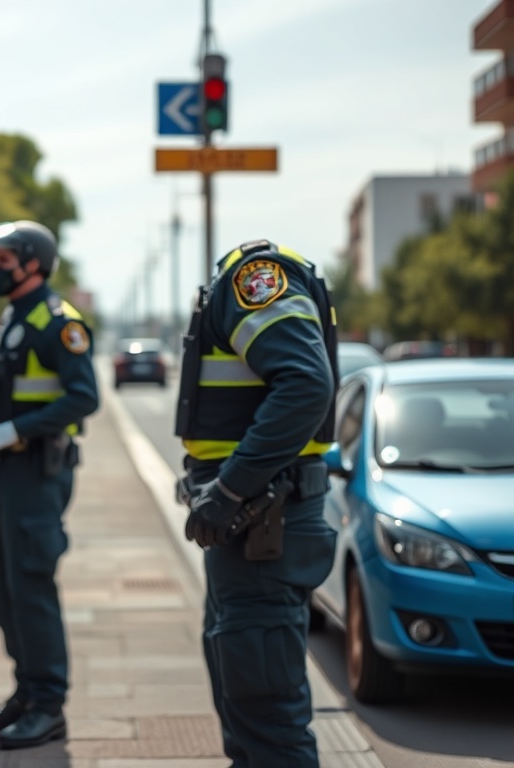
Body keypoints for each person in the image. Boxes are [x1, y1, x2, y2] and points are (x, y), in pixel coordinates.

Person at [175, 239, 339, 768]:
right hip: (249, 527)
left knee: (266, 711)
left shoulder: (253, 277)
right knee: (242, 697)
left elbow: (308, 386)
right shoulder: (232, 284)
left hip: (262, 522)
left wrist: (228, 490)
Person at [0, 220, 99, 750]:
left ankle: (47, 705)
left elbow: (84, 397)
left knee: (31, 588)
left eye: (3, 259)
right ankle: (26, 690)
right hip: (1, 476)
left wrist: (13, 431)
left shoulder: (58, 322)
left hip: (37, 474)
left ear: (33, 262)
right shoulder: (8, 320)